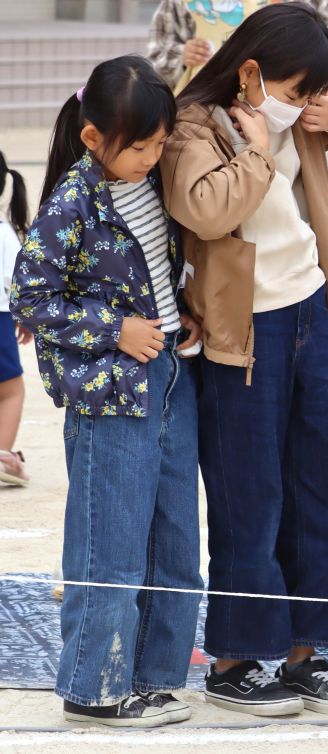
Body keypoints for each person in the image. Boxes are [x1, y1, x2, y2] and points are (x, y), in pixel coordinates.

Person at [158, 3, 328, 717]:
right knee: (247, 495)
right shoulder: (195, 121)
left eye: (311, 92)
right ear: (249, 73)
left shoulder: (302, 111)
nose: (300, 106)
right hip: (239, 330)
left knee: (323, 488)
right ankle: (232, 660)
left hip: (308, 309)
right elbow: (205, 210)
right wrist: (257, 148)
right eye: (292, 91)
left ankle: (305, 655)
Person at [10, 56, 203, 727]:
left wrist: (185, 316)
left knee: (177, 543)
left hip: (172, 377)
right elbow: (29, 295)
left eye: (159, 144)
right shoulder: (72, 201)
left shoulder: (147, 183)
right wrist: (114, 328)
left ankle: (150, 678)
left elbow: (160, 267)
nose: (152, 158)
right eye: (140, 146)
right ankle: (94, 689)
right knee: (110, 546)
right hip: (110, 392)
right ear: (94, 138)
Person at [147, 0, 328, 90]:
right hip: (204, 104)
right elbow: (155, 57)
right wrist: (182, 56)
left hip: (281, 101)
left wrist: (299, 50)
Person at [0, 150, 32, 485]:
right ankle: (3, 452)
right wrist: (24, 317)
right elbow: (18, 280)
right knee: (10, 391)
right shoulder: (4, 232)